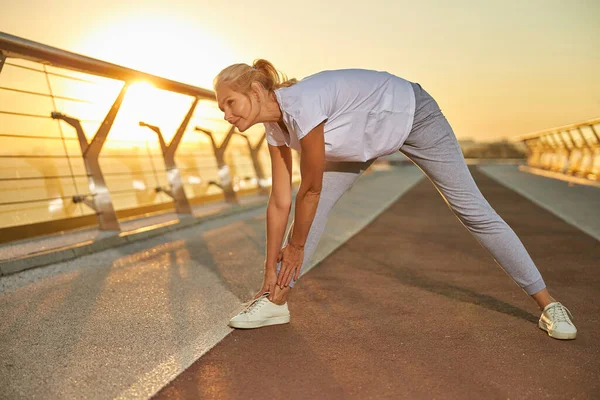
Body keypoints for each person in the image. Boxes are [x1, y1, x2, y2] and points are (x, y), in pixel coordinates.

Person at [213, 59, 577, 340]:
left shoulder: (302, 104)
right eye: (221, 110)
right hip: (361, 138)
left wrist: (295, 248)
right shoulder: (274, 127)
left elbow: (310, 187)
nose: (228, 115)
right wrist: (268, 270)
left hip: (413, 113)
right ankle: (276, 301)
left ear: (256, 90)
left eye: (231, 103)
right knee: (310, 214)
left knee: (472, 210)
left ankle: (550, 305)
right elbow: (280, 202)